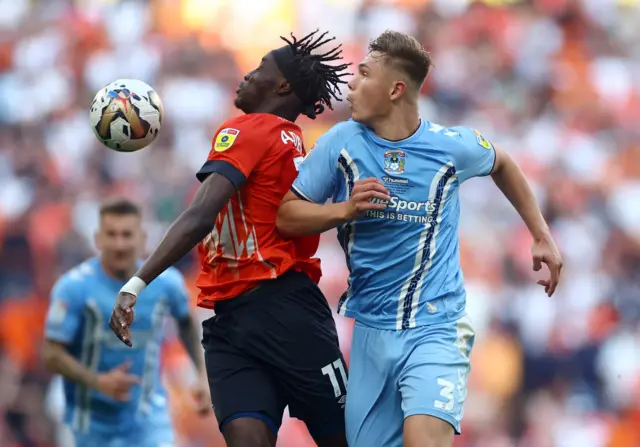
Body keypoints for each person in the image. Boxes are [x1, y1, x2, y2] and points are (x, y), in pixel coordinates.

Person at [276, 30, 564, 447]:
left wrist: (541, 235)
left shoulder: (450, 146)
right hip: (371, 331)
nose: (351, 85)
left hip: (437, 327)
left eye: (363, 74)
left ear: (395, 89)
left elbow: (502, 161)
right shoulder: (340, 143)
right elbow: (286, 216)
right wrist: (343, 210)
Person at [109, 30, 351, 447]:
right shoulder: (288, 141)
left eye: (259, 69)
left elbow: (201, 215)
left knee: (346, 438)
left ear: (282, 86)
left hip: (281, 309)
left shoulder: (251, 130)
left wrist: (136, 283)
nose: (247, 76)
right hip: (238, 319)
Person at [43, 198, 210, 447]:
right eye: (111, 234)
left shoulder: (166, 283)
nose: (119, 244)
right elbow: (51, 353)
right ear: (99, 239)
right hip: (90, 422)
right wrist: (97, 381)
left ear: (142, 238)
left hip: (148, 421)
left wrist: (202, 374)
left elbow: (186, 321)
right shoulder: (73, 287)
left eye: (126, 235)